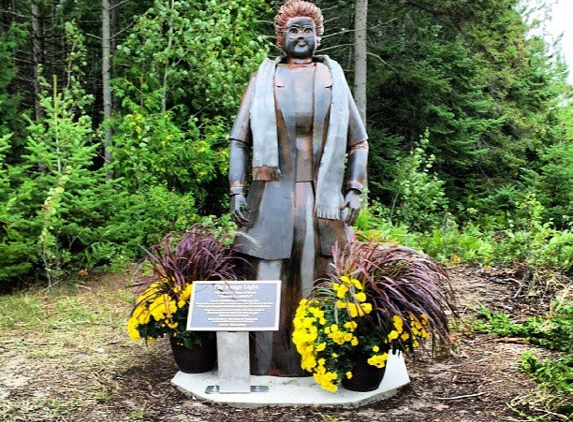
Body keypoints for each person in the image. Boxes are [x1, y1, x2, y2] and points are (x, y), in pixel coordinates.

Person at [228, 0, 368, 376]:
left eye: (308, 29)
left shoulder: (333, 79)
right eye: (294, 30)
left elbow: (359, 142)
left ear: (318, 35)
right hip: (269, 193)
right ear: (281, 37)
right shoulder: (263, 80)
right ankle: (262, 363)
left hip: (321, 197)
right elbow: (239, 141)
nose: (301, 36)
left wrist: (354, 189)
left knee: (318, 276)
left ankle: (316, 361)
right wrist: (237, 190)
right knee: (266, 273)